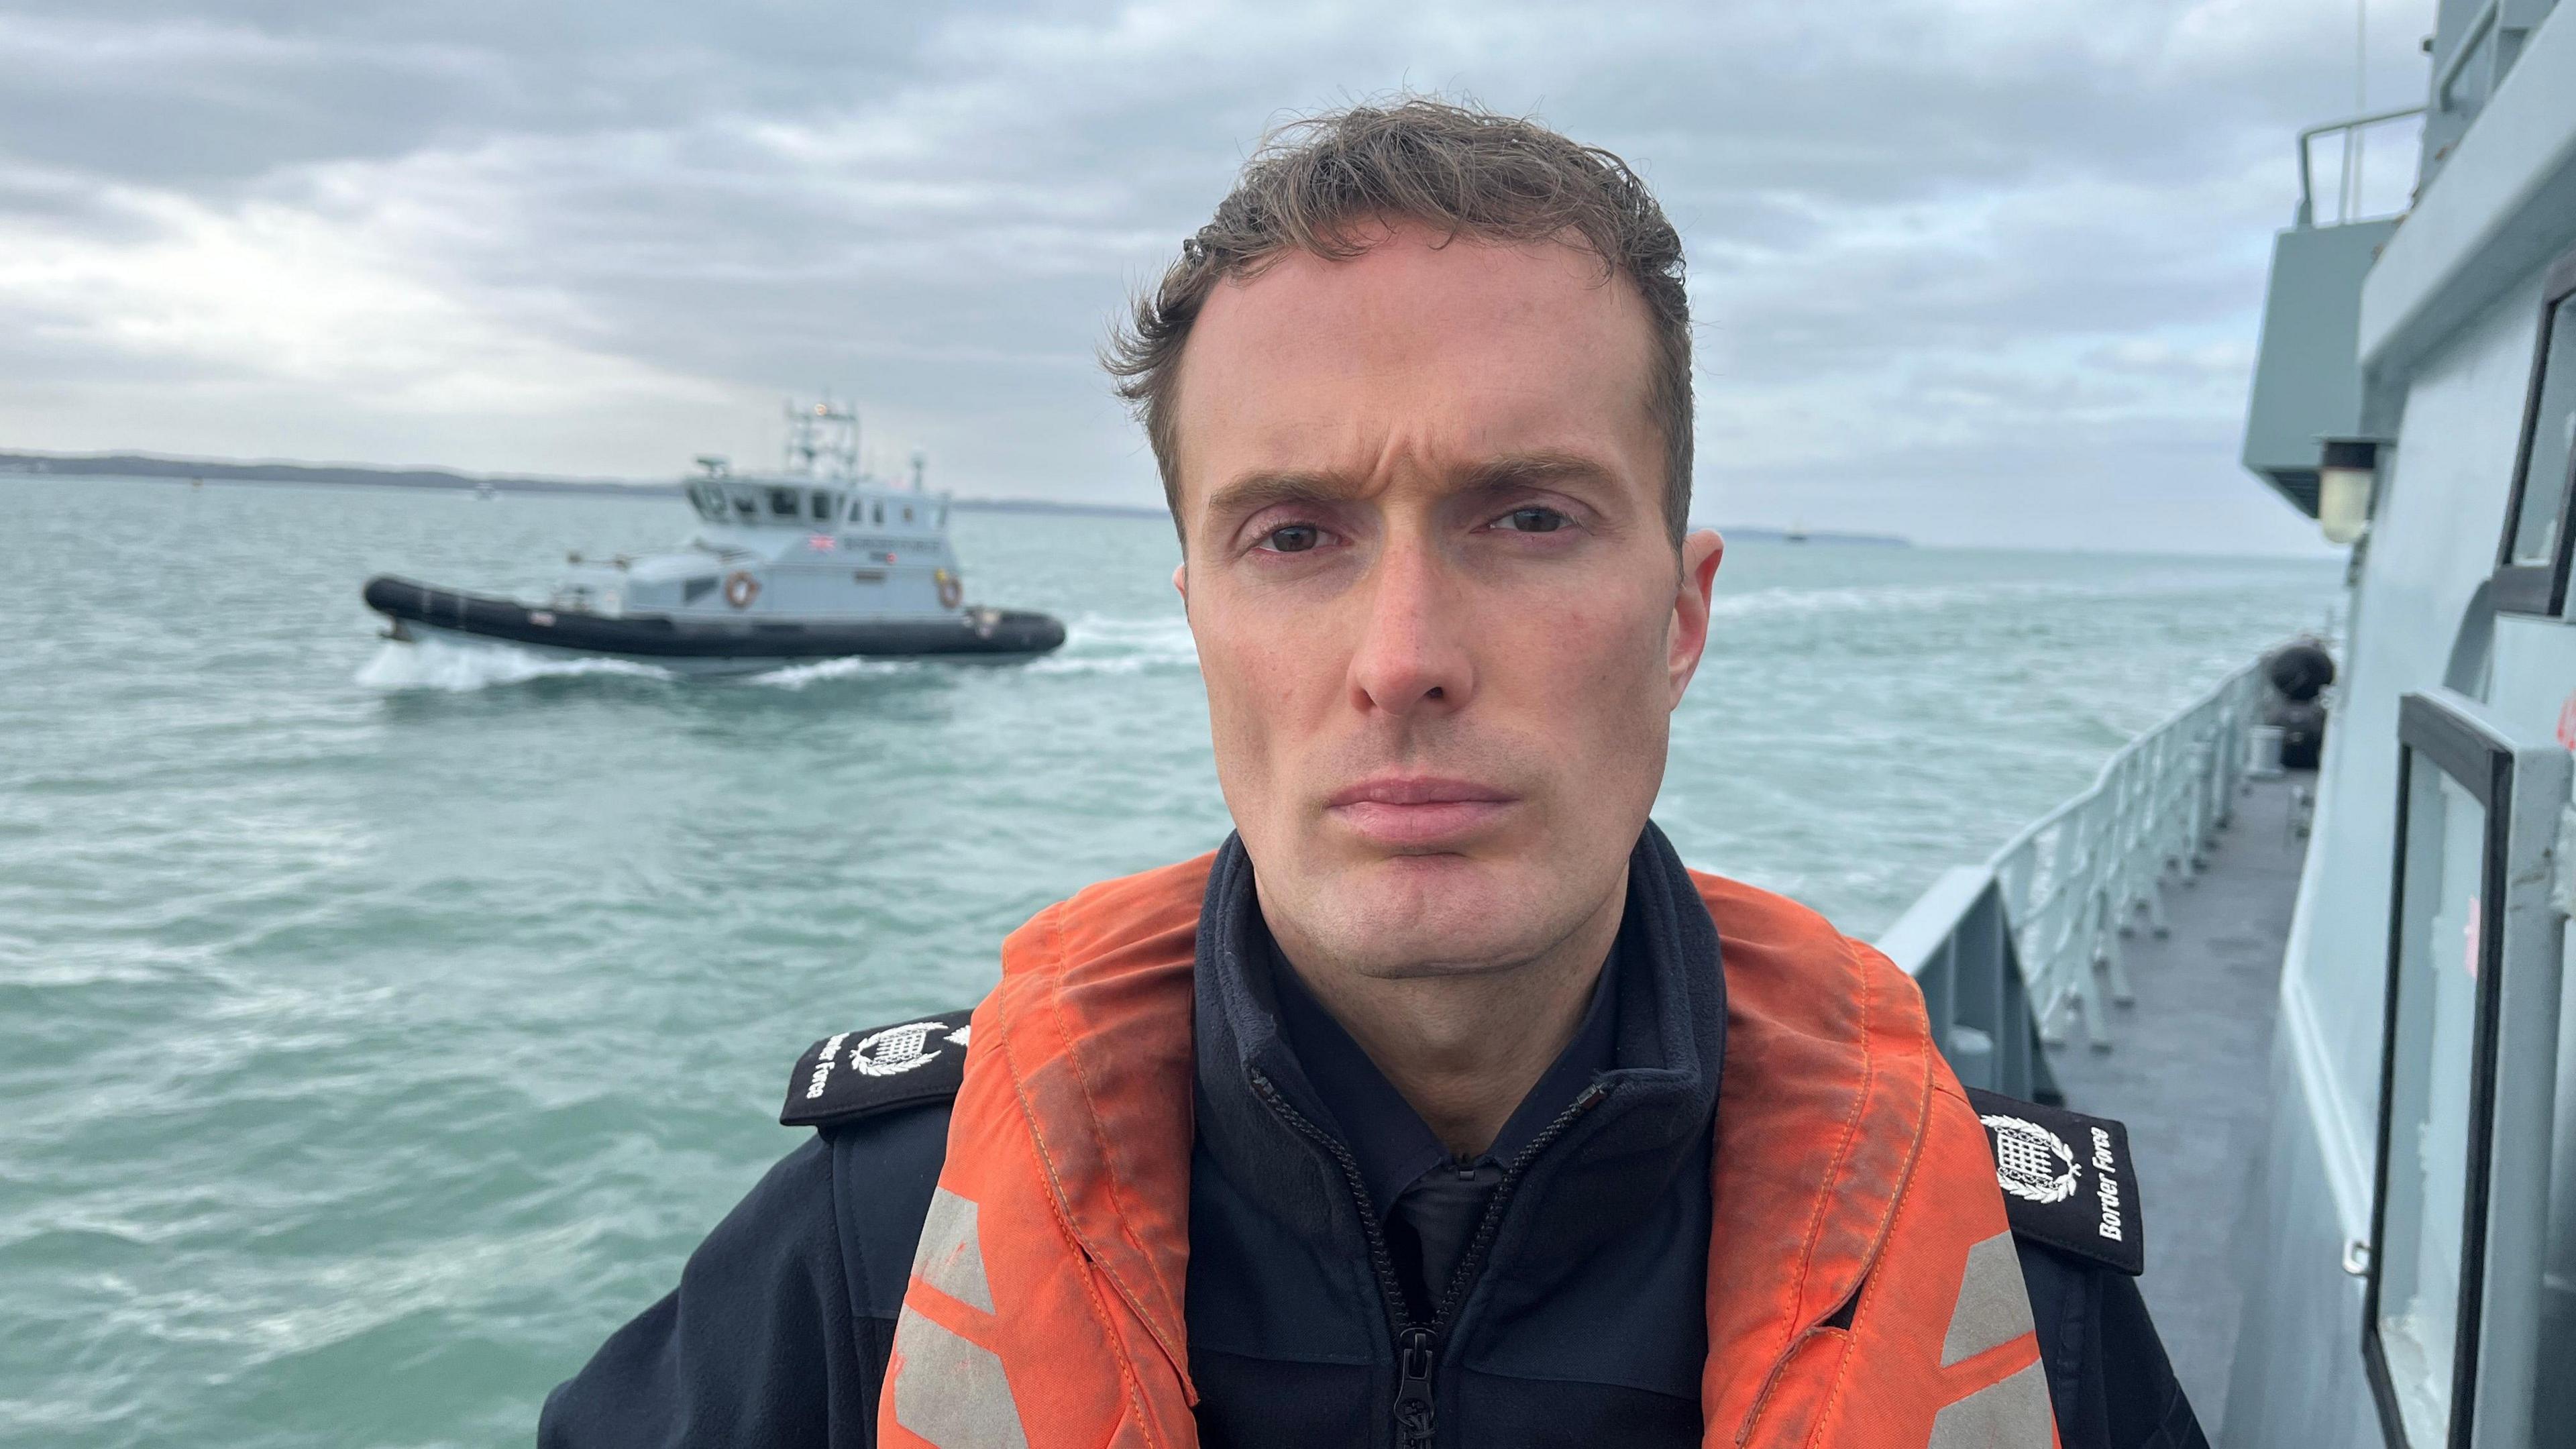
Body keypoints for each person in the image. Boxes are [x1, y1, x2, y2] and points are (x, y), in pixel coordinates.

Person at [541, 98, 2206, 1449]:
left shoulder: (2016, 1292)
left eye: (1530, 515)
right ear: (1199, 620)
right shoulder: (873, 1256)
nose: (1402, 650)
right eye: (1295, 534)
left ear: (1681, 618)